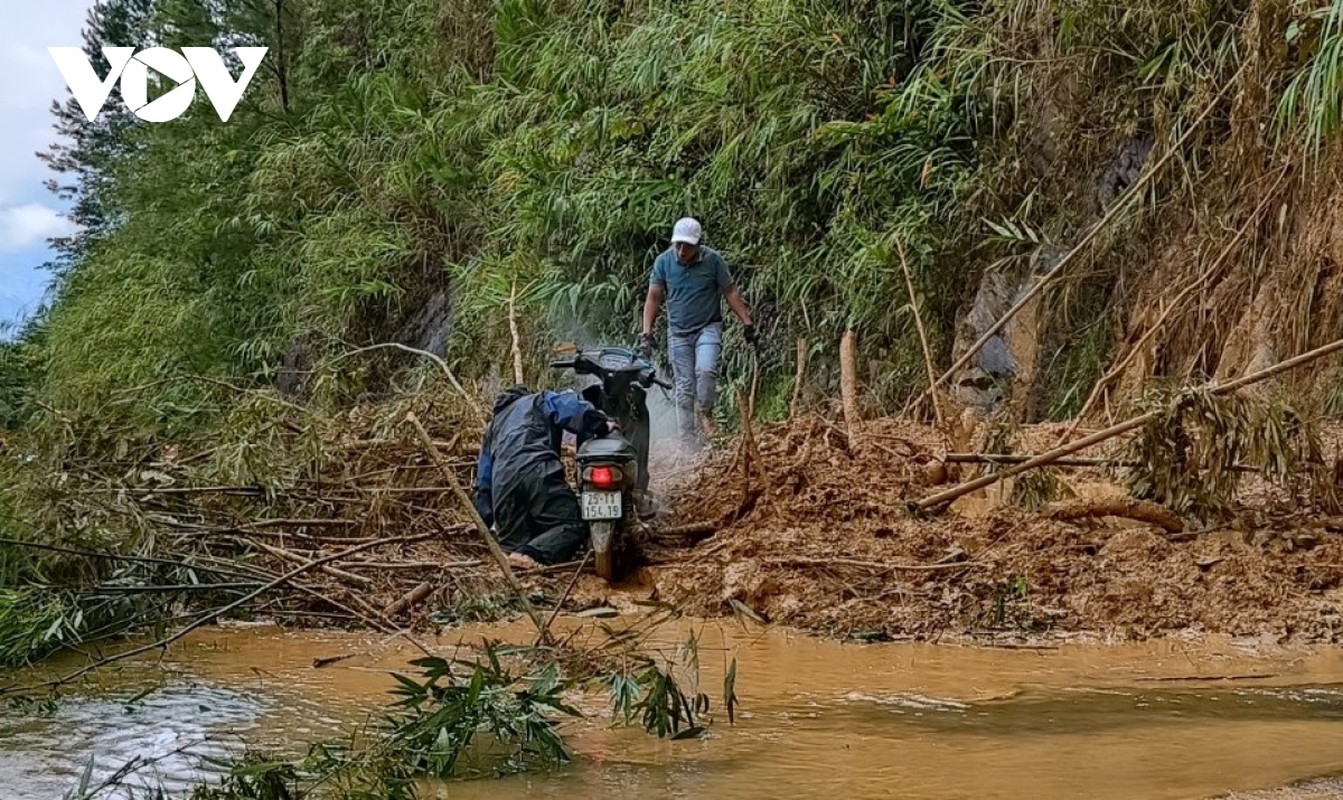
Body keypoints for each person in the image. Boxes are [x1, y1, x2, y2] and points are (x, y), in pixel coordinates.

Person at [473, 385, 619, 570]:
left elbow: (483, 481)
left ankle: (519, 559)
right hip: (537, 470)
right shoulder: (538, 399)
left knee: (512, 548)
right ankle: (530, 554)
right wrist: (600, 423)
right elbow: (570, 409)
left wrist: (488, 517)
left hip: (501, 485)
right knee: (573, 524)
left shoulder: (493, 427)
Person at [638, 217, 756, 445]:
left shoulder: (713, 261)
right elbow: (653, 297)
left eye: (688, 245)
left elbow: (729, 291)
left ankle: (706, 413)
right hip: (679, 333)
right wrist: (647, 333)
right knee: (683, 387)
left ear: (698, 244)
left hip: (707, 327)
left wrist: (747, 323)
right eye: (678, 245)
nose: (682, 250)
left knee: (706, 370)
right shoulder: (663, 262)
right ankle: (687, 441)